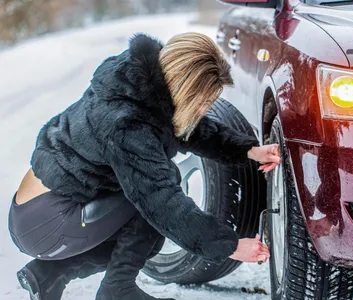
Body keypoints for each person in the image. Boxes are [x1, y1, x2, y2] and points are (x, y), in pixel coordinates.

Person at [8, 32, 281, 300]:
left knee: (144, 231)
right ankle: (118, 289)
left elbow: (179, 129)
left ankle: (49, 274)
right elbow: (163, 204)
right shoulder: (127, 124)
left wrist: (248, 149)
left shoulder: (137, 83)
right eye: (204, 103)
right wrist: (230, 246)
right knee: (153, 205)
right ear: (186, 88)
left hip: (36, 211)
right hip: (47, 222)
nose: (203, 111)